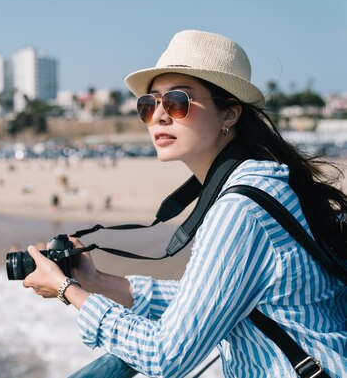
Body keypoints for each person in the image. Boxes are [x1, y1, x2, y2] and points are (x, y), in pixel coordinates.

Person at [22, 30, 347, 377]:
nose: (160, 116)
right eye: (149, 105)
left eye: (178, 102)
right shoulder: (259, 181)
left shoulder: (240, 209)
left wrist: (66, 289)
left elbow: (165, 356)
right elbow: (209, 294)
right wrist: (97, 280)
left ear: (229, 115)